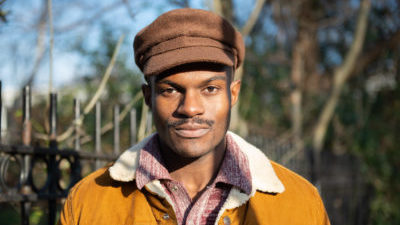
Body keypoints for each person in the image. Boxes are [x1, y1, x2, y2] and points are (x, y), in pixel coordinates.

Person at [58, 8, 330, 225]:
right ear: (148, 97)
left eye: (210, 89)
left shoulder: (300, 203)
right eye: (170, 90)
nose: (190, 108)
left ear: (233, 94)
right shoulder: (89, 201)